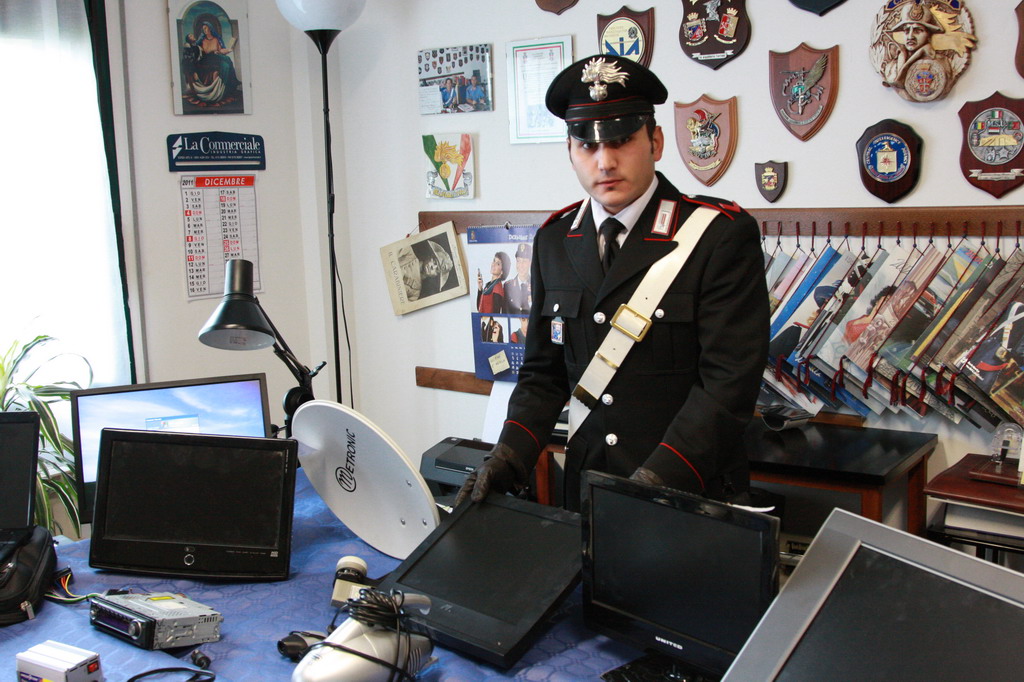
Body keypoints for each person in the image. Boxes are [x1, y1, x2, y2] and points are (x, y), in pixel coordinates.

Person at [456, 55, 770, 511]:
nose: (604, 162)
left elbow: (728, 387)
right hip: (588, 489)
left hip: (687, 492)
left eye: (621, 140)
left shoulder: (717, 236)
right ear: (569, 151)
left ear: (655, 142)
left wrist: (657, 481)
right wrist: (509, 455)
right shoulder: (555, 241)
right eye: (587, 145)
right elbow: (543, 375)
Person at [504, 243, 533, 314]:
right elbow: (505, 313)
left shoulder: (535, 285)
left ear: (530, 263)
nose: (521, 265)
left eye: (524, 261)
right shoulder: (508, 286)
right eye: (518, 261)